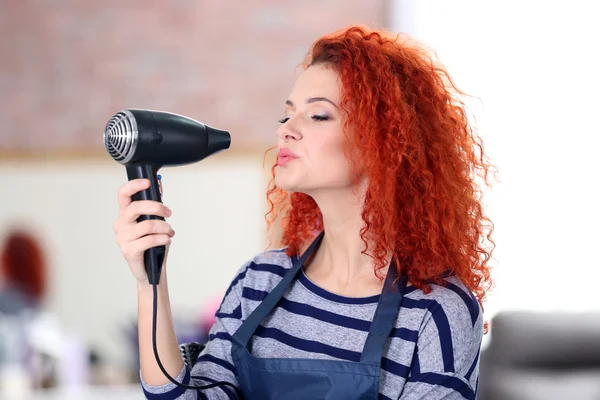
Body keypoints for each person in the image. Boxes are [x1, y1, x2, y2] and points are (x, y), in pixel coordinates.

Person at [112, 25, 495, 399]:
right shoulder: (259, 282)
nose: (286, 130)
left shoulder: (437, 311)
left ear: (383, 141)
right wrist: (151, 282)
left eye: (318, 116)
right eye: (286, 115)